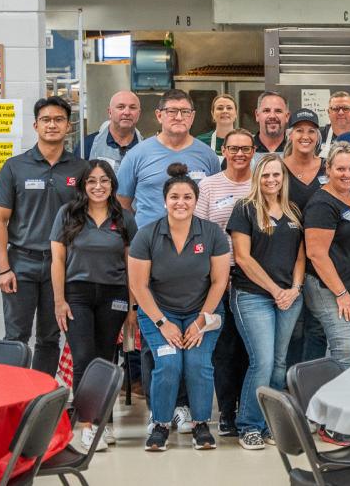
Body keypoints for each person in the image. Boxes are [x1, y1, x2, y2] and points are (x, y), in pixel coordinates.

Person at [130, 163, 231, 452]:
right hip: (159, 313)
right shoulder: (147, 235)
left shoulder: (211, 234)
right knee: (169, 364)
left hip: (205, 311)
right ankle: (160, 425)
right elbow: (139, 286)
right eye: (175, 197)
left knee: (199, 364)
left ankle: (201, 424)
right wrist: (164, 323)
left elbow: (219, 281)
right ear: (165, 200)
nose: (181, 203)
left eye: (187, 197)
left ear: (196, 201)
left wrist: (200, 322)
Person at [0, 95, 91, 376]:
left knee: (50, 337)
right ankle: (13, 398)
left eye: (59, 119)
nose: (52, 125)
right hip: (21, 263)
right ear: (35, 125)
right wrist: (4, 268)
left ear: (68, 126)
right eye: (46, 119)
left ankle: (39, 399)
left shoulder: (80, 169)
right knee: (16, 337)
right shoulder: (15, 166)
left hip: (61, 266)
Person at [50, 159, 137, 450]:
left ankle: (103, 423)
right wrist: (59, 301)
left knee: (106, 360)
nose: (98, 186)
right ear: (82, 185)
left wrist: (132, 308)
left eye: (104, 181)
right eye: (92, 181)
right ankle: (86, 426)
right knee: (84, 357)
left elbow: (130, 265)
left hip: (114, 295)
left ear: (112, 185)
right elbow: (58, 260)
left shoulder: (124, 218)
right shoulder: (68, 214)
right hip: (77, 294)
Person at [225, 154, 306, 449]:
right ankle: (248, 425)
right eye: (266, 175)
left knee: (280, 364)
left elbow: (301, 255)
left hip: (289, 296)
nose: (272, 180)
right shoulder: (245, 209)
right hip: (253, 296)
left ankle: (271, 423)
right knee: (262, 362)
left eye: (277, 175)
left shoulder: (293, 211)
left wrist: (294, 289)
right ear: (257, 178)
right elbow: (243, 259)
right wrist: (275, 289)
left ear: (284, 179)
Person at [193, 128, 255, 438]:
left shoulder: (260, 184)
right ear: (225, 152)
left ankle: (247, 410)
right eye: (234, 149)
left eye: (245, 148)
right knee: (223, 348)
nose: (240, 154)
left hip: (253, 278)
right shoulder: (208, 186)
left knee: (249, 348)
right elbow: (200, 233)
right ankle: (227, 412)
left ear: (253, 151)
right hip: (218, 277)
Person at [303, 142, 350, 370]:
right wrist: (340, 293)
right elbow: (316, 253)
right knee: (345, 351)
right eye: (340, 169)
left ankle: (324, 395)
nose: (347, 174)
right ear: (328, 169)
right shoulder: (322, 204)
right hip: (329, 289)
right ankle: (331, 404)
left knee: (346, 347)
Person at [117, 88, 221, 227]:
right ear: (159, 115)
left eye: (185, 112)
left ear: (192, 117)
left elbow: (215, 203)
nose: (179, 117)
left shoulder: (208, 156)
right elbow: (122, 203)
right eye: (172, 111)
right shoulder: (136, 155)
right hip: (149, 244)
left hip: (195, 242)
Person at [281, 109, 328, 366]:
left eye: (311, 130)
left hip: (321, 259)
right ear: (290, 134)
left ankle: (310, 384)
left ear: (319, 136)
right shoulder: (278, 168)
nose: (305, 136)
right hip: (286, 259)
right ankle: (289, 386)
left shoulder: (327, 167)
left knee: (317, 327)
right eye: (299, 130)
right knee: (293, 328)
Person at [83, 90, 143, 167]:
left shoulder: (147, 148)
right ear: (110, 112)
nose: (127, 112)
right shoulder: (88, 144)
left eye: (132, 107)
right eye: (121, 107)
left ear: (139, 113)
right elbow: (71, 178)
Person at [253, 92, 289, 156]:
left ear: (287, 116)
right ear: (257, 115)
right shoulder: (245, 148)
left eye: (278, 111)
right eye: (266, 111)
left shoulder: (296, 149)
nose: (272, 116)